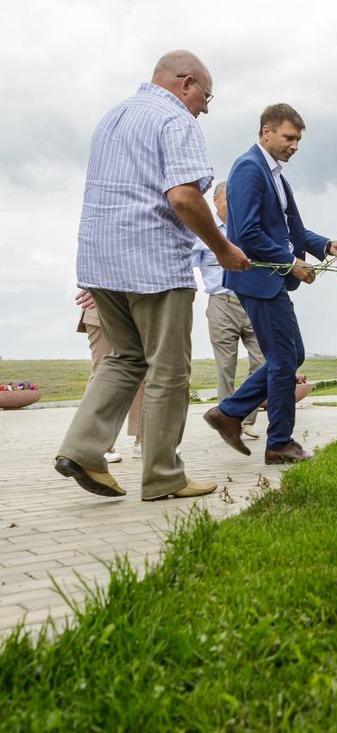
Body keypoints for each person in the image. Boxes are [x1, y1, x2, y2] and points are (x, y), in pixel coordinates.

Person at [55, 50, 250, 501]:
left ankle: (82, 449)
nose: (206, 106)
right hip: (153, 261)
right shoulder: (176, 120)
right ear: (186, 83)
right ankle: (163, 476)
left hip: (100, 263)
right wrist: (222, 249)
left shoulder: (113, 117)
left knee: (124, 357)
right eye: (207, 95)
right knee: (168, 369)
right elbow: (183, 196)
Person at [203, 103, 337, 464]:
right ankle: (278, 442)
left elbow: (288, 231)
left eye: (298, 139)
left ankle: (229, 412)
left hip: (269, 278)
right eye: (289, 137)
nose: (295, 145)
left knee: (291, 355)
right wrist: (291, 264)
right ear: (266, 131)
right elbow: (247, 233)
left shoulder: (275, 175)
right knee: (285, 358)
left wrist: (324, 245)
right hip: (257, 279)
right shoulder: (249, 169)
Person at [192, 180, 265, 439]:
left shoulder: (246, 226)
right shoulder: (205, 231)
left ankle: (247, 419)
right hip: (221, 303)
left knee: (262, 360)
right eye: (228, 199)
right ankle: (227, 420)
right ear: (216, 201)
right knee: (226, 365)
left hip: (252, 302)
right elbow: (187, 264)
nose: (234, 204)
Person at [75, 289, 144, 462]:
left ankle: (143, 439)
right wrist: (93, 287)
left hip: (138, 304)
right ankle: (94, 445)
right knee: (102, 372)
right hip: (100, 304)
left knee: (145, 372)